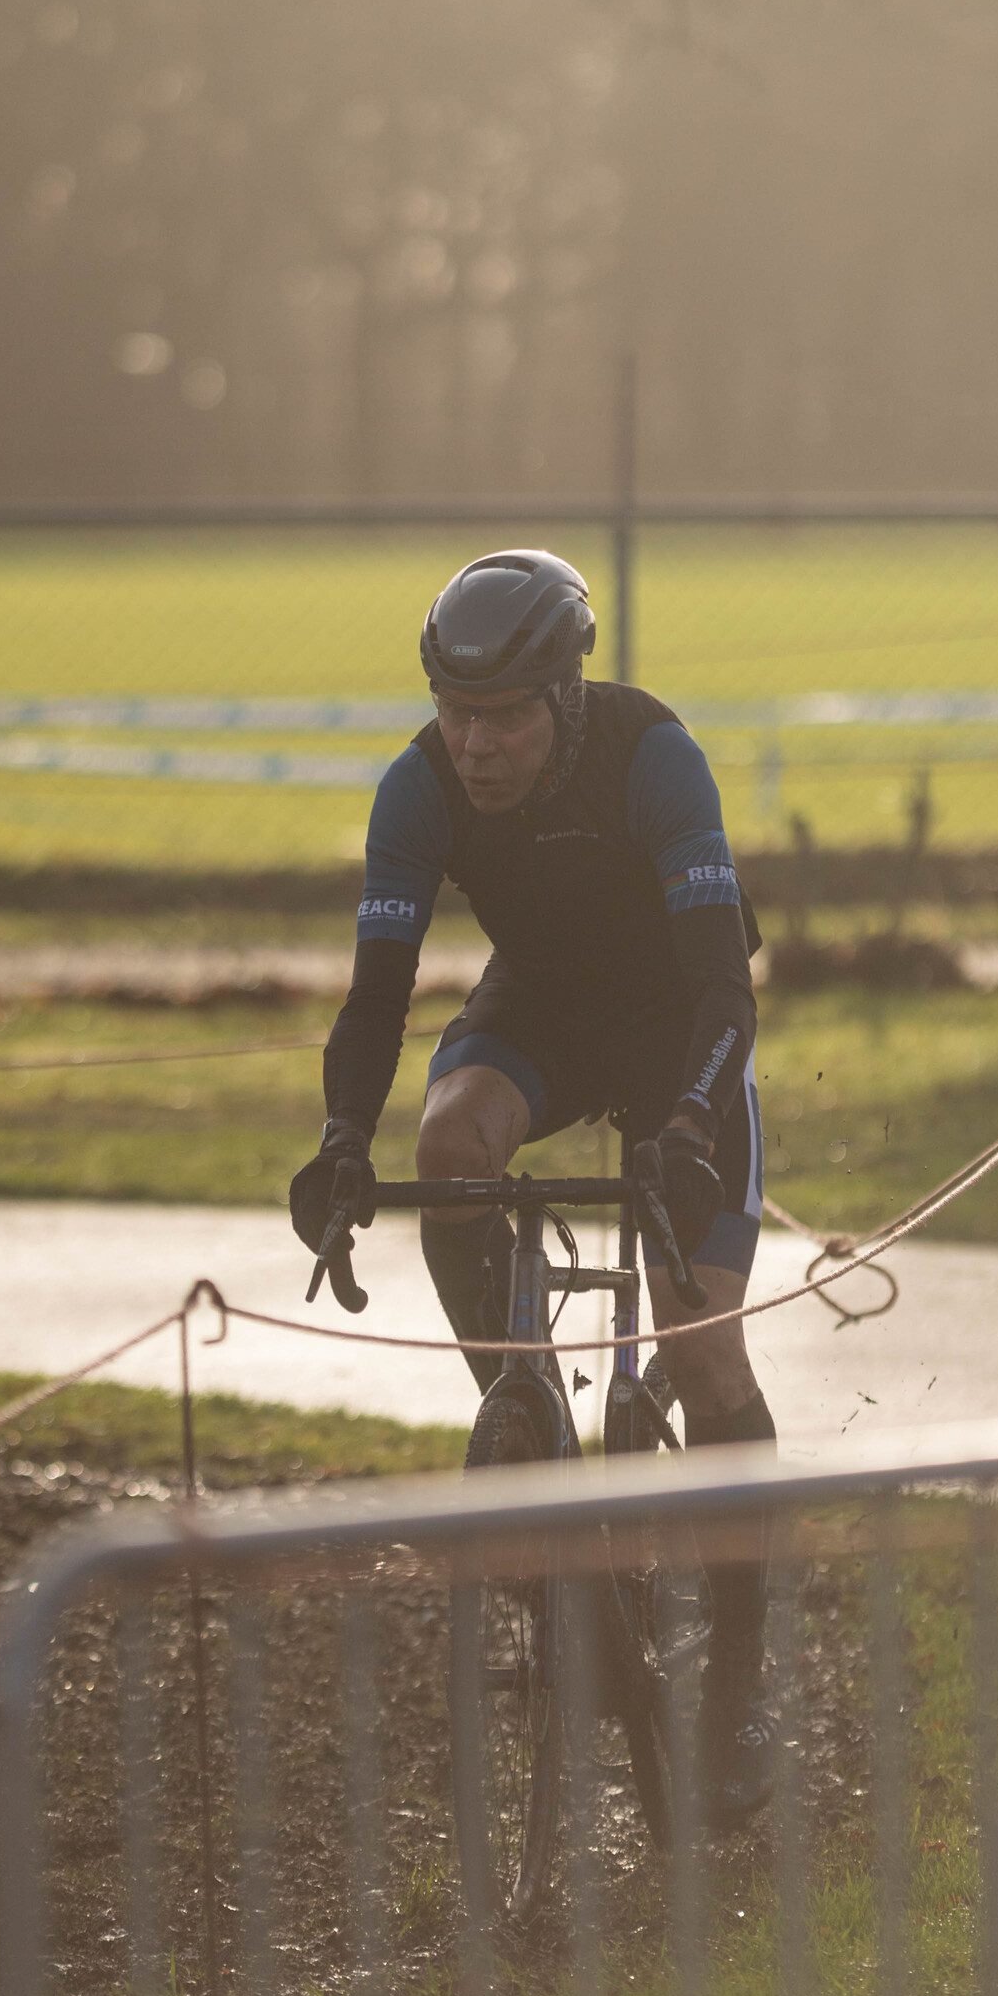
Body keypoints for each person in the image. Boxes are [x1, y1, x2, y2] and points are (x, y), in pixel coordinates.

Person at [289, 549, 779, 1825]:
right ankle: (527, 1425)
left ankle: (736, 1681)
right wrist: (345, 1137)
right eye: (455, 713)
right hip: (546, 1014)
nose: (474, 743)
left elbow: (726, 988)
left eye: (501, 716)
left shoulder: (648, 752)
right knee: (447, 1144)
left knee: (698, 1331)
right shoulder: (420, 785)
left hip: (678, 1023)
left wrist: (684, 1119)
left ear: (561, 697)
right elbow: (377, 994)